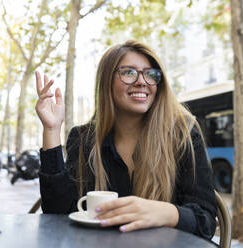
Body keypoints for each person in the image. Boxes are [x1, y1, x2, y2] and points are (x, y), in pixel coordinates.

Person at [35, 41, 216, 240]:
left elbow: (205, 222)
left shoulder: (183, 134)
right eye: (129, 72)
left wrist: (163, 212)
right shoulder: (83, 138)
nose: (142, 81)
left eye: (151, 74)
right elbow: (56, 215)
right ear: (106, 82)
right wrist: (51, 130)